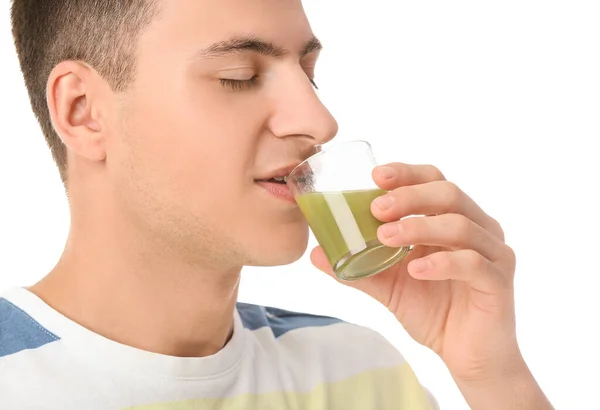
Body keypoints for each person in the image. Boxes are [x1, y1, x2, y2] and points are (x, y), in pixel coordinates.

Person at [0, 0, 554, 409]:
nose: (319, 123)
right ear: (82, 111)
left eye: (310, 77)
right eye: (239, 77)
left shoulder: (355, 373)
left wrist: (493, 375)